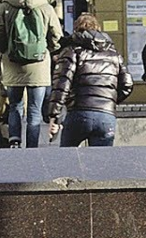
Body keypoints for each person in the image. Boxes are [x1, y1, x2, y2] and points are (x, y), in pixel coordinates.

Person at [0, 0, 64, 148]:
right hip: (38, 65)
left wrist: (6, 50)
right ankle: (32, 147)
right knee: (34, 111)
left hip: (12, 64)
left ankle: (14, 140)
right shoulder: (46, 6)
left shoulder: (4, 5)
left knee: (15, 105)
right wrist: (47, 50)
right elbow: (56, 35)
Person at [45, 13, 134, 147]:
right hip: (106, 116)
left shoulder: (72, 51)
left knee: (68, 159)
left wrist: (54, 116)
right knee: (101, 163)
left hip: (78, 112)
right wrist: (109, 100)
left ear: (76, 29)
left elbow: (61, 85)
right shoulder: (113, 54)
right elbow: (127, 84)